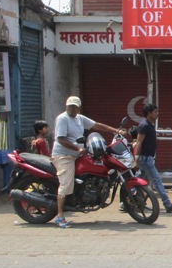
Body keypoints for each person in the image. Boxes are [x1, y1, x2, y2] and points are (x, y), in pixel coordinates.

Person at [51, 96, 123, 228]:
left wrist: (116, 131)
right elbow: (60, 139)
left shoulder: (79, 118)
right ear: (66, 106)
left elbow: (97, 125)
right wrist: (78, 148)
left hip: (78, 154)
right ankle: (59, 216)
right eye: (70, 106)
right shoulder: (62, 118)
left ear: (78, 108)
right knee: (65, 184)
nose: (72, 108)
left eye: (74, 106)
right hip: (64, 155)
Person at [134, 104, 172, 213]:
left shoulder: (149, 125)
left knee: (137, 180)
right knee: (157, 181)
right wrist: (136, 159)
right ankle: (167, 204)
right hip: (145, 159)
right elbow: (139, 143)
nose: (157, 114)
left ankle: (126, 202)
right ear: (149, 113)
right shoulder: (144, 126)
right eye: (155, 112)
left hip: (147, 158)